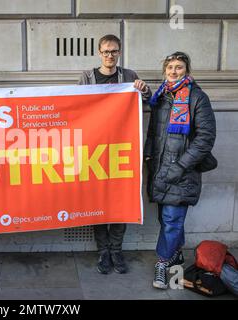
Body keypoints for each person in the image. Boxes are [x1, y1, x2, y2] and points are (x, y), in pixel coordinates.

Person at [79, 34, 151, 275]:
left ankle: (116, 251)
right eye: (106, 51)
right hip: (95, 150)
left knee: (120, 202)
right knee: (98, 203)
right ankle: (104, 252)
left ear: (119, 53)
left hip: (122, 149)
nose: (110, 55)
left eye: (114, 51)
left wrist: (144, 89)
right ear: (99, 53)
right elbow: (76, 108)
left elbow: (149, 101)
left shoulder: (129, 76)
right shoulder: (87, 77)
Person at [145, 52, 216, 289]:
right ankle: (176, 254)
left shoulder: (197, 97)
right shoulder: (161, 96)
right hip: (159, 168)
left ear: (187, 70)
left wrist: (181, 165)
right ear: (165, 70)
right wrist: (148, 154)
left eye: (179, 67)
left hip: (182, 172)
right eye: (170, 67)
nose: (174, 71)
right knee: (166, 220)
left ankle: (163, 264)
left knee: (172, 220)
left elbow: (205, 138)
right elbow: (154, 132)